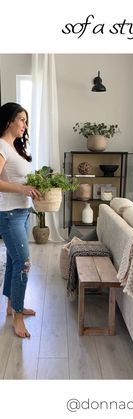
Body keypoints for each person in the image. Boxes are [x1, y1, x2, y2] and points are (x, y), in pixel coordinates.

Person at [0, 102, 41, 338]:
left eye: (26, 121)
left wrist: (34, 187)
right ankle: (17, 317)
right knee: (24, 264)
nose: (25, 125)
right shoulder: (1, 146)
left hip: (23, 213)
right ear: (9, 121)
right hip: (9, 215)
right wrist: (22, 188)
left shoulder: (15, 147)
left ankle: (10, 306)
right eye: (22, 120)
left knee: (15, 262)